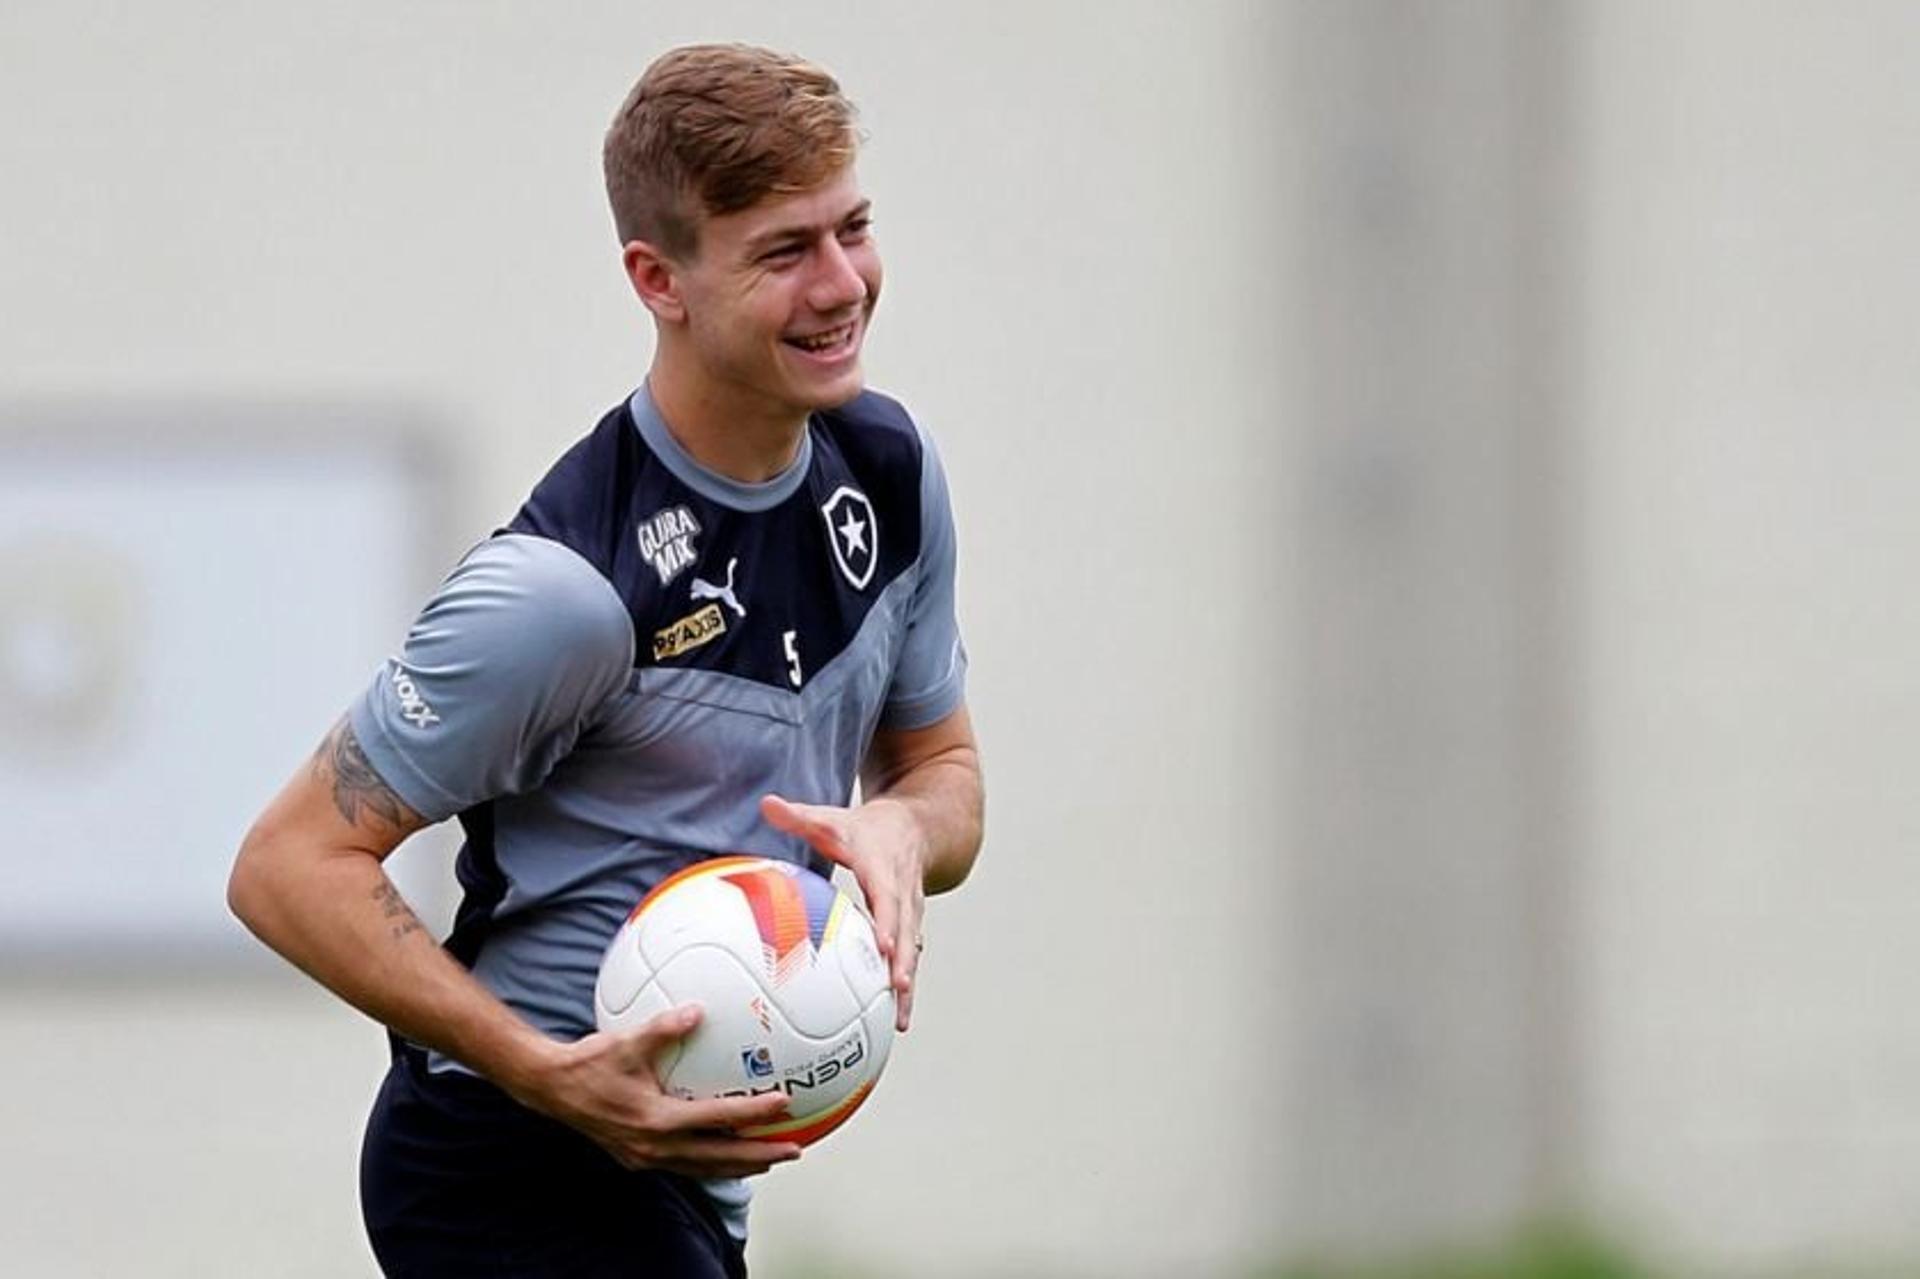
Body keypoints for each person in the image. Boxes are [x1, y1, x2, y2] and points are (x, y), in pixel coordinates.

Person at [227, 43, 983, 1278]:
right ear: (658, 278)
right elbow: (287, 864)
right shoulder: (564, 594)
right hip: (506, 1151)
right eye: (785, 252)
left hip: (675, 1178)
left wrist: (901, 830)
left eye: (854, 228)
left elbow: (945, 770)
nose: (843, 284)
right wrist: (545, 1071)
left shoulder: (890, 476)